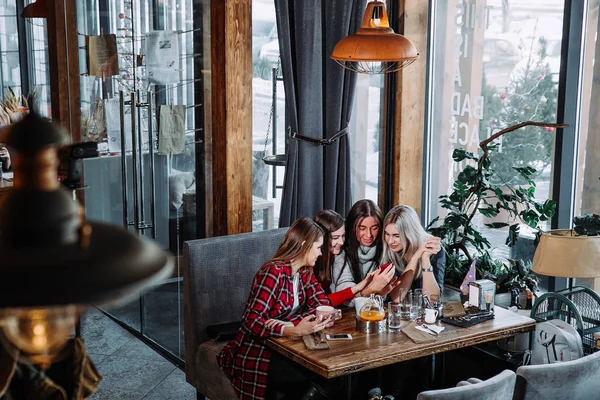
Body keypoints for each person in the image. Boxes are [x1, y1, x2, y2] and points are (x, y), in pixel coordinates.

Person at [218, 217, 336, 400]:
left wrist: (290, 325)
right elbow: (252, 322)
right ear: (305, 245)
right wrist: (293, 330)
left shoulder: (305, 272)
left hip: (289, 346)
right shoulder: (273, 272)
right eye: (318, 247)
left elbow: (322, 304)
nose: (320, 253)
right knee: (319, 379)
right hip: (259, 350)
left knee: (334, 377)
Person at [330, 200, 397, 300]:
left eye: (374, 228)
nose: (369, 235)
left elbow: (387, 294)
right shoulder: (341, 249)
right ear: (352, 227)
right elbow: (344, 297)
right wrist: (373, 289)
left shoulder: (386, 248)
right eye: (362, 228)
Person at [314, 209, 378, 306]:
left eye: (343, 236)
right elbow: (319, 302)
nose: (341, 242)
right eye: (335, 238)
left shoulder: (337, 255)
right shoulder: (312, 261)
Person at [380, 205, 445, 301]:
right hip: (399, 312)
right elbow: (397, 298)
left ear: (410, 233)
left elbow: (432, 300)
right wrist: (414, 259)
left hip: (423, 313)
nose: (390, 241)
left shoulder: (433, 249)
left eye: (396, 235)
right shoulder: (389, 250)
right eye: (387, 234)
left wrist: (425, 258)